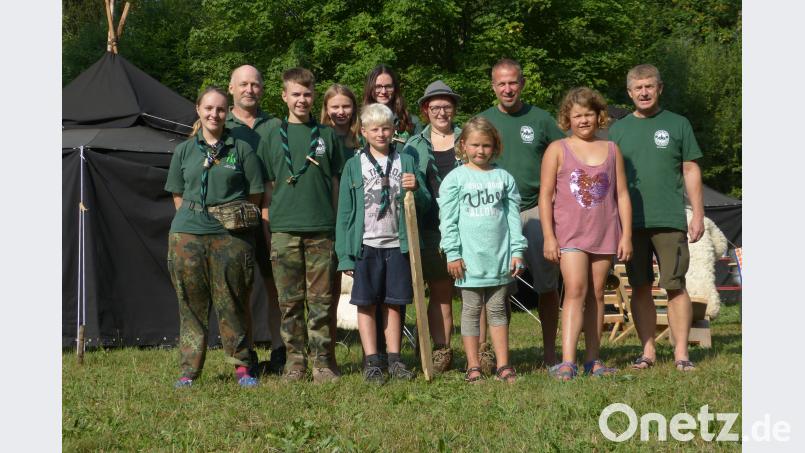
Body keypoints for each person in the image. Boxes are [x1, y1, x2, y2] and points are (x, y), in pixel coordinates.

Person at [165, 86, 264, 388]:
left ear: (227, 113)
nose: (214, 114)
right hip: (188, 235)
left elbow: (256, 194)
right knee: (191, 305)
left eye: (220, 109)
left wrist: (228, 219)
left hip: (230, 237)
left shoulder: (242, 149)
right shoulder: (184, 150)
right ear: (198, 110)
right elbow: (178, 194)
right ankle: (189, 371)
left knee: (232, 302)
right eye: (209, 108)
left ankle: (242, 367)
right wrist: (196, 219)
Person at [608, 64, 705, 372]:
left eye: (649, 86)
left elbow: (690, 169)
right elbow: (608, 177)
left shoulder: (678, 124)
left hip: (669, 219)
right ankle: (647, 351)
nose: (644, 92)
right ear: (629, 92)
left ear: (660, 88)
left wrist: (698, 213)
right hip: (630, 223)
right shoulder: (617, 131)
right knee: (639, 286)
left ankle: (681, 354)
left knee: (675, 286)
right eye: (638, 88)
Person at [257, 68, 345, 383]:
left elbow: (336, 184)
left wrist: (337, 227)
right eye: (296, 94)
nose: (302, 100)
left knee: (321, 303)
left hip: (322, 230)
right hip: (283, 231)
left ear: (314, 97)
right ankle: (295, 363)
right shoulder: (270, 135)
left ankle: (322, 362)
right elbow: (266, 188)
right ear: (284, 96)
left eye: (307, 94)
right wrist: (268, 229)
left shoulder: (328, 135)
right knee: (289, 304)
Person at [539, 87, 632, 380]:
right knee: (575, 290)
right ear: (568, 118)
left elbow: (623, 194)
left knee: (596, 293)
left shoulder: (612, 150)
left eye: (588, 114)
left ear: (599, 116)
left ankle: (593, 359)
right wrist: (549, 236)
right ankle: (567, 361)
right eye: (577, 115)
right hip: (570, 234)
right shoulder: (557, 149)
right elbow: (545, 196)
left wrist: (626, 234)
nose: (583, 120)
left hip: (605, 232)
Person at [478, 58, 566, 367]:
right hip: (495, 215)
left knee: (547, 285)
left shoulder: (541, 120)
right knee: (494, 287)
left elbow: (565, 161)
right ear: (493, 87)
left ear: (522, 84)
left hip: (534, 211)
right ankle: (490, 355)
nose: (507, 88)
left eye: (513, 82)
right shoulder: (483, 121)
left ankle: (550, 352)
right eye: (501, 83)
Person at [335, 103, 430, 384]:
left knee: (394, 303)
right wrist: (344, 255)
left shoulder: (406, 161)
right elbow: (344, 213)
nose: (381, 133)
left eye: (386, 128)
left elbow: (423, 204)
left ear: (394, 130)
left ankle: (394, 359)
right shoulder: (354, 165)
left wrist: (416, 189)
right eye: (374, 129)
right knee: (366, 303)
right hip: (365, 244)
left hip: (397, 244)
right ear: (363, 132)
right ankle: (372, 361)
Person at [438, 116, 527, 384]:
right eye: (475, 145)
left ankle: (503, 365)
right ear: (463, 145)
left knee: (498, 309)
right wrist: (452, 253)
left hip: (499, 259)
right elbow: (448, 220)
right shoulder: (455, 178)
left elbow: (513, 218)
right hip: (468, 261)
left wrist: (517, 251)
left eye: (486, 145)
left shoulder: (503, 178)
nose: (480, 151)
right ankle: (473, 365)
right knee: (471, 310)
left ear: (495, 146)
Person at [225, 64, 286, 375]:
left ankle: (279, 350)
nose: (250, 89)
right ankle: (244, 354)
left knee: (274, 285)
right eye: (243, 84)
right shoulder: (219, 123)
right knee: (240, 289)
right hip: (231, 219)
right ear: (231, 88)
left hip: (269, 215)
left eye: (255, 84)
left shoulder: (275, 126)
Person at [401, 80, 462, 373]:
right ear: (425, 110)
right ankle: (435, 348)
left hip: (465, 227)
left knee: (459, 290)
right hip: (427, 227)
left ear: (454, 108)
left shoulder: (468, 139)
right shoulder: (413, 145)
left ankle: (467, 351)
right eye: (435, 106)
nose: (441, 112)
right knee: (434, 289)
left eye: (446, 106)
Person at [319, 83, 361, 372]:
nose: (340, 112)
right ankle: (327, 352)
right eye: (335, 106)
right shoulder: (319, 138)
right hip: (329, 220)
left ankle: (379, 350)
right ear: (326, 109)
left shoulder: (364, 139)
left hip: (363, 222)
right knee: (328, 291)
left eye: (346, 106)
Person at [362, 64, 422, 143]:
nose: (383, 91)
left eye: (388, 86)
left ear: (395, 89)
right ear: (370, 88)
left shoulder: (412, 122)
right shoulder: (360, 122)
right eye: (378, 86)